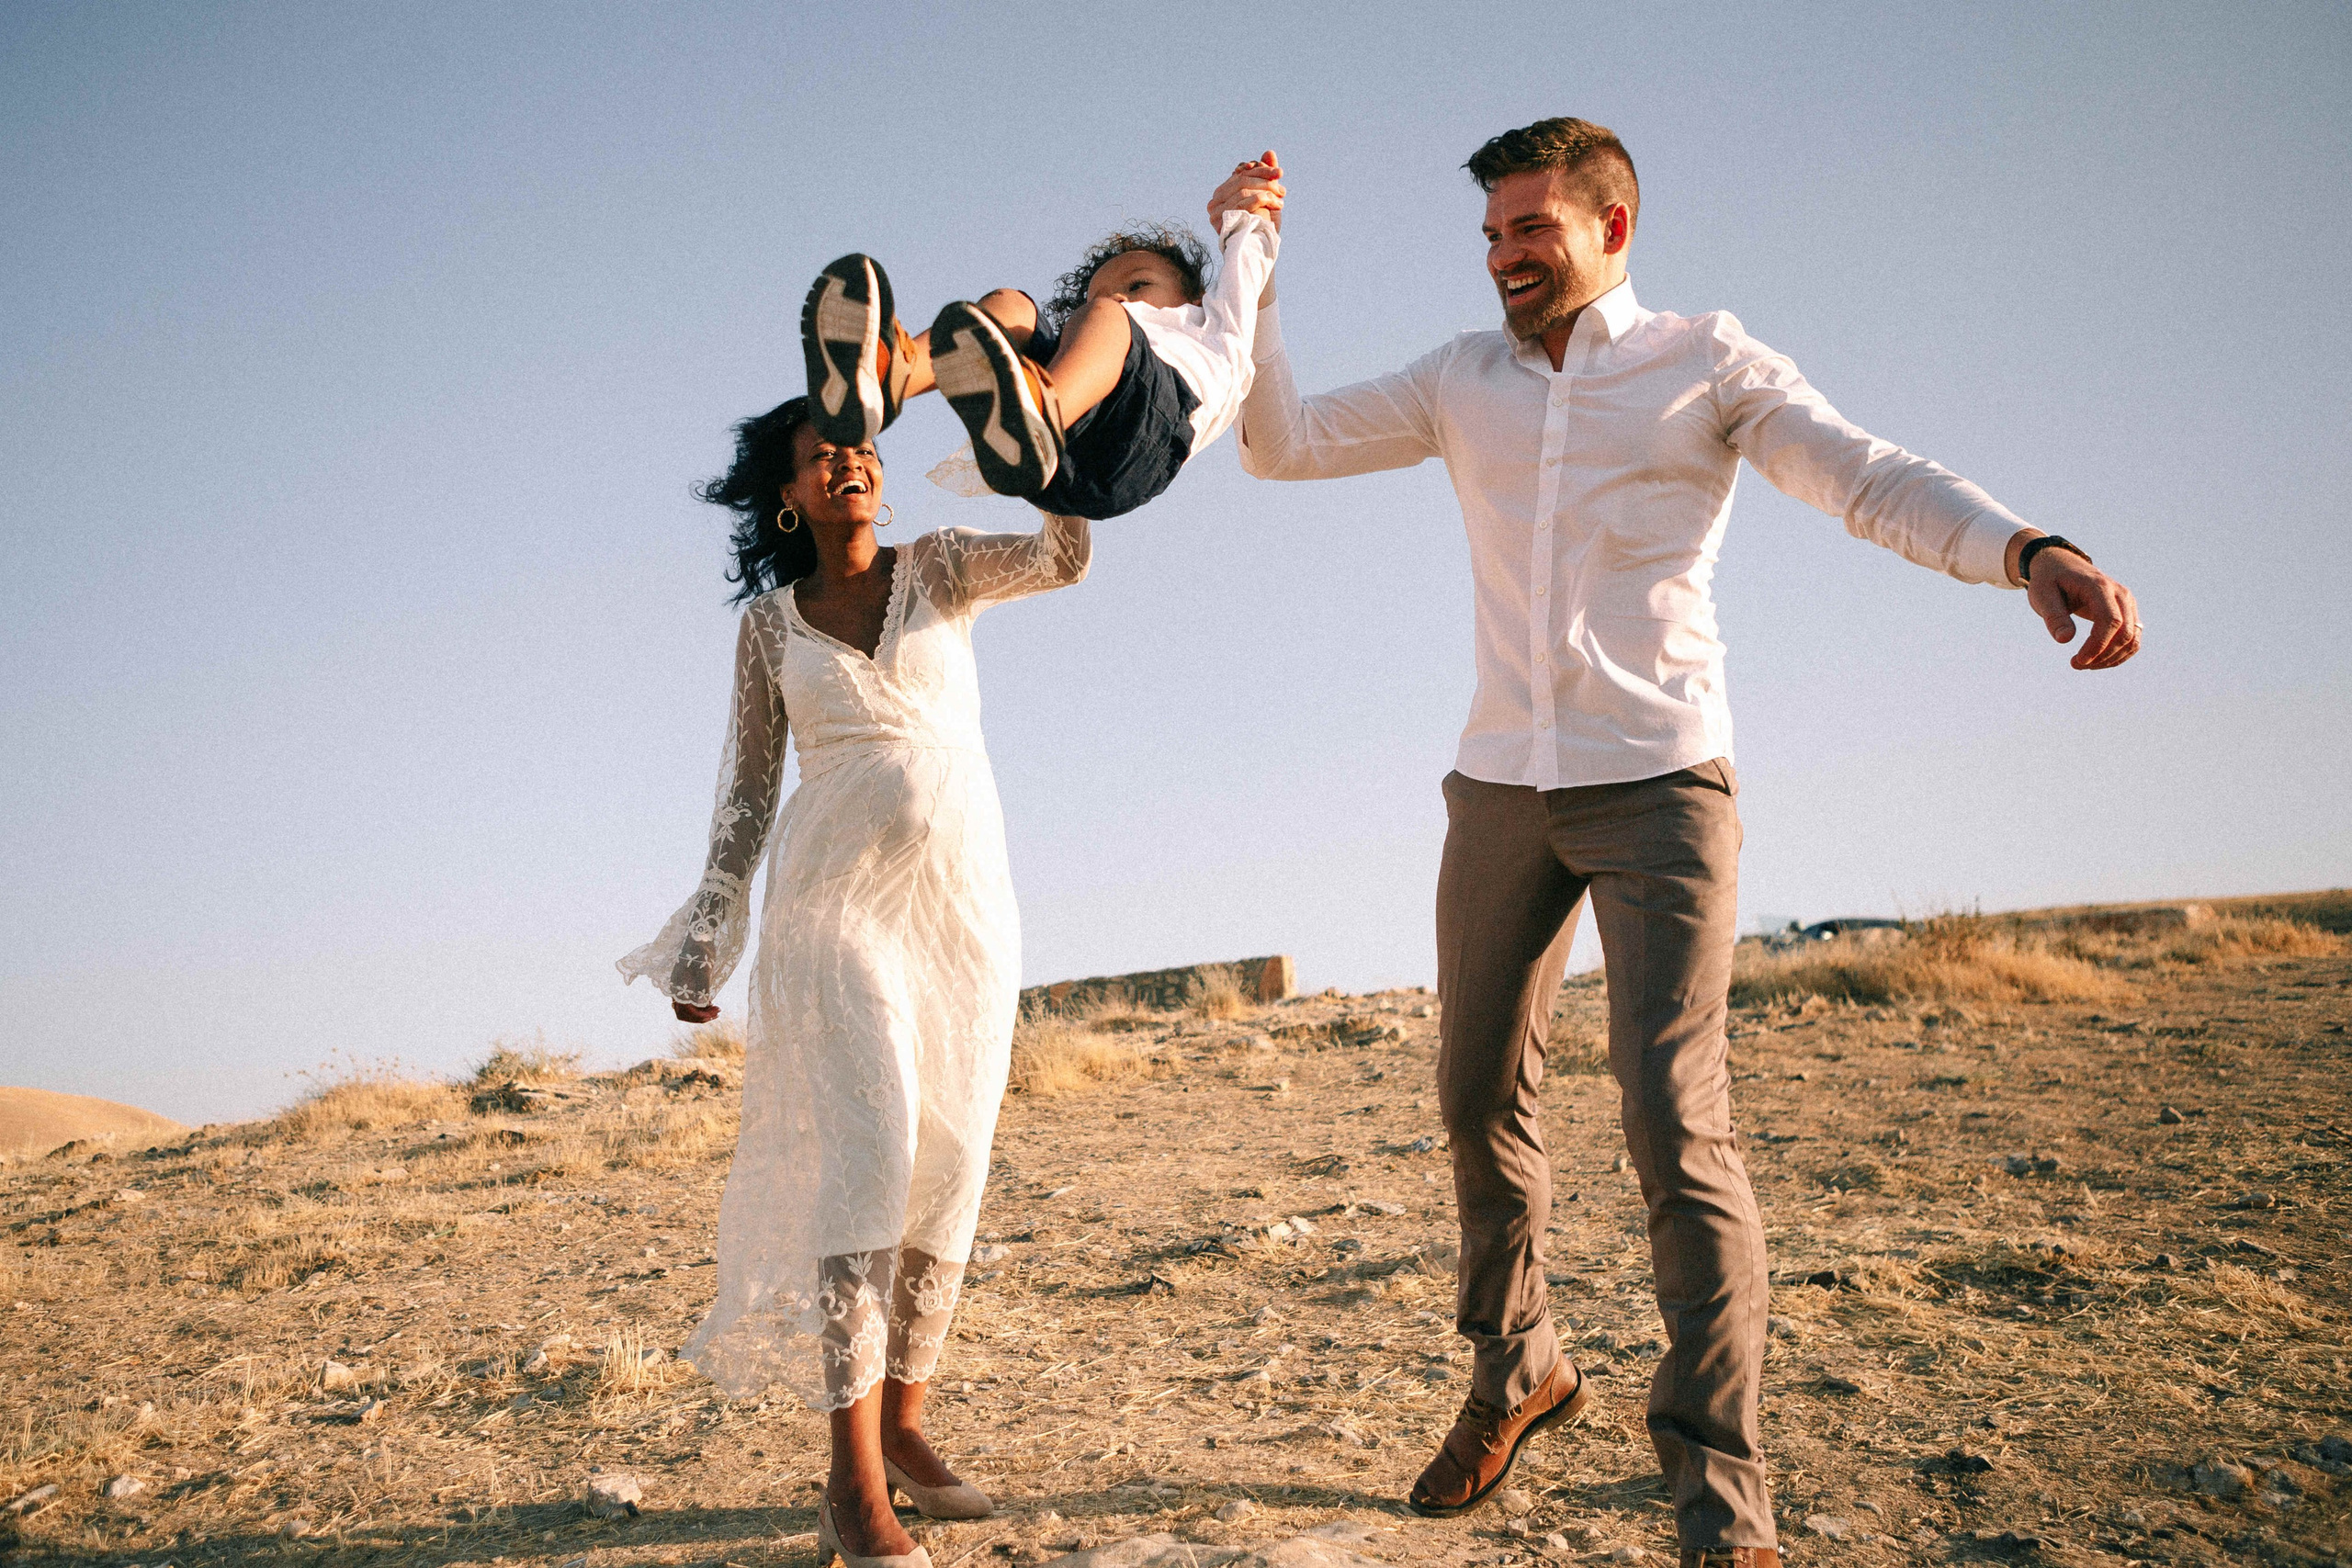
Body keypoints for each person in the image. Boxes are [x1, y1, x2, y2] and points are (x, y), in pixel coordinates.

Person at [1213, 120, 2141, 1568]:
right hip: (1502, 782)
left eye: (1533, 231)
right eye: (1493, 237)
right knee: (1473, 1094)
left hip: (1660, 786)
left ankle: (1721, 1499)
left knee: (1671, 1121)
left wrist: (2023, 545)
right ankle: (1518, 1367)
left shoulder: (1707, 362)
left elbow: (1863, 474)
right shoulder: (1460, 380)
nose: (1506, 257)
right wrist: (1250, 269)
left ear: (1614, 225)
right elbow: (1276, 443)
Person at [618, 397, 1090, 1568]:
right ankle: (851, 1483)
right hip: (833, 909)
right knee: (874, 1160)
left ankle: (909, 1428)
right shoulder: (770, 629)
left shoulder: (942, 568)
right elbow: (744, 792)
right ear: (790, 493)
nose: (850, 462)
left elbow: (1067, 554)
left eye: (862, 447)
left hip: (967, 909)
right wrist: (707, 931)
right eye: (823, 453)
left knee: (954, 1163)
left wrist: (1031, 447)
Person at [797, 156, 1282, 517]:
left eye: (1137, 286)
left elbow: (1247, 262)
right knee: (1014, 307)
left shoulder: (1215, 324)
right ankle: (890, 376)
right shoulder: (1101, 335)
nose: (1118, 299)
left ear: (1195, 297)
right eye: (1107, 292)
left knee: (1104, 323)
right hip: (1054, 469)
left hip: (1150, 432)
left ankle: (1041, 414)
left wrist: (1252, 213)